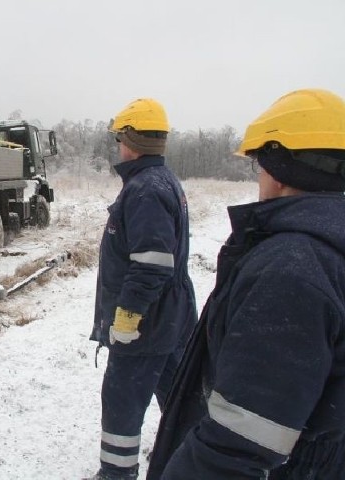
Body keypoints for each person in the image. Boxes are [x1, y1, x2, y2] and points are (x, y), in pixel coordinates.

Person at [147, 88, 345, 479]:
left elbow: (240, 441)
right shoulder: (327, 248)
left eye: (260, 164)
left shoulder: (291, 270)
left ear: (281, 167)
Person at [87, 98, 197, 480]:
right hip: (170, 315)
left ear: (130, 139)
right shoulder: (161, 181)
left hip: (147, 321)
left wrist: (127, 316)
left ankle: (117, 473)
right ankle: (191, 459)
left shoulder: (145, 189)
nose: (118, 145)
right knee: (178, 394)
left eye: (120, 137)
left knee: (122, 400)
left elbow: (151, 264)